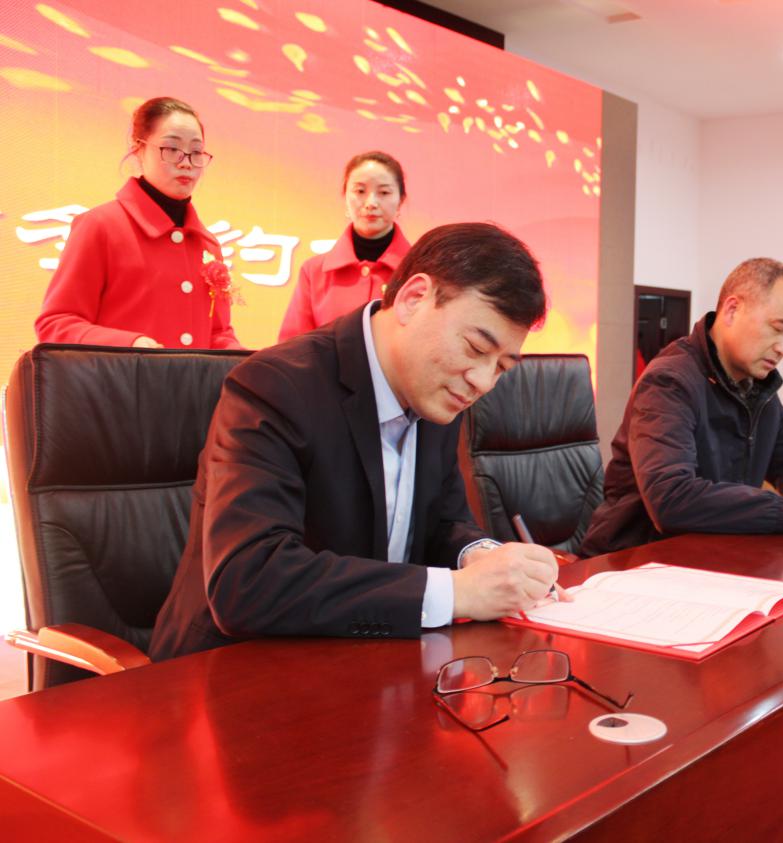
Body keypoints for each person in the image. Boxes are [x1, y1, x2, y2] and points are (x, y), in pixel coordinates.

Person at [150, 222, 561, 659]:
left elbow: (442, 521)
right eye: (476, 348)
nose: (482, 381)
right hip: (233, 668)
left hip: (362, 659)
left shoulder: (438, 391)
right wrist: (457, 592)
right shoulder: (275, 387)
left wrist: (478, 555)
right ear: (414, 298)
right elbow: (249, 581)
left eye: (502, 367)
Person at [580, 257, 783, 557]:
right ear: (732, 310)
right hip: (633, 562)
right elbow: (672, 499)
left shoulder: (758, 389)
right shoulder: (670, 382)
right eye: (778, 328)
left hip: (713, 557)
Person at [35, 96, 242, 349]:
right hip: (121, 376)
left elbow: (218, 334)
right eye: (172, 149)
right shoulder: (100, 226)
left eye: (196, 152)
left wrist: (250, 361)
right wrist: (131, 345)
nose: (186, 163)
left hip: (192, 379)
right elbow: (56, 324)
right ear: (139, 149)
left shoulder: (207, 244)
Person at [278, 151, 412, 341]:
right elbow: (292, 347)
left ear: (400, 201)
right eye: (360, 191)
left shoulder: (419, 271)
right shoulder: (314, 272)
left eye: (384, 192)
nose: (371, 203)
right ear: (345, 196)